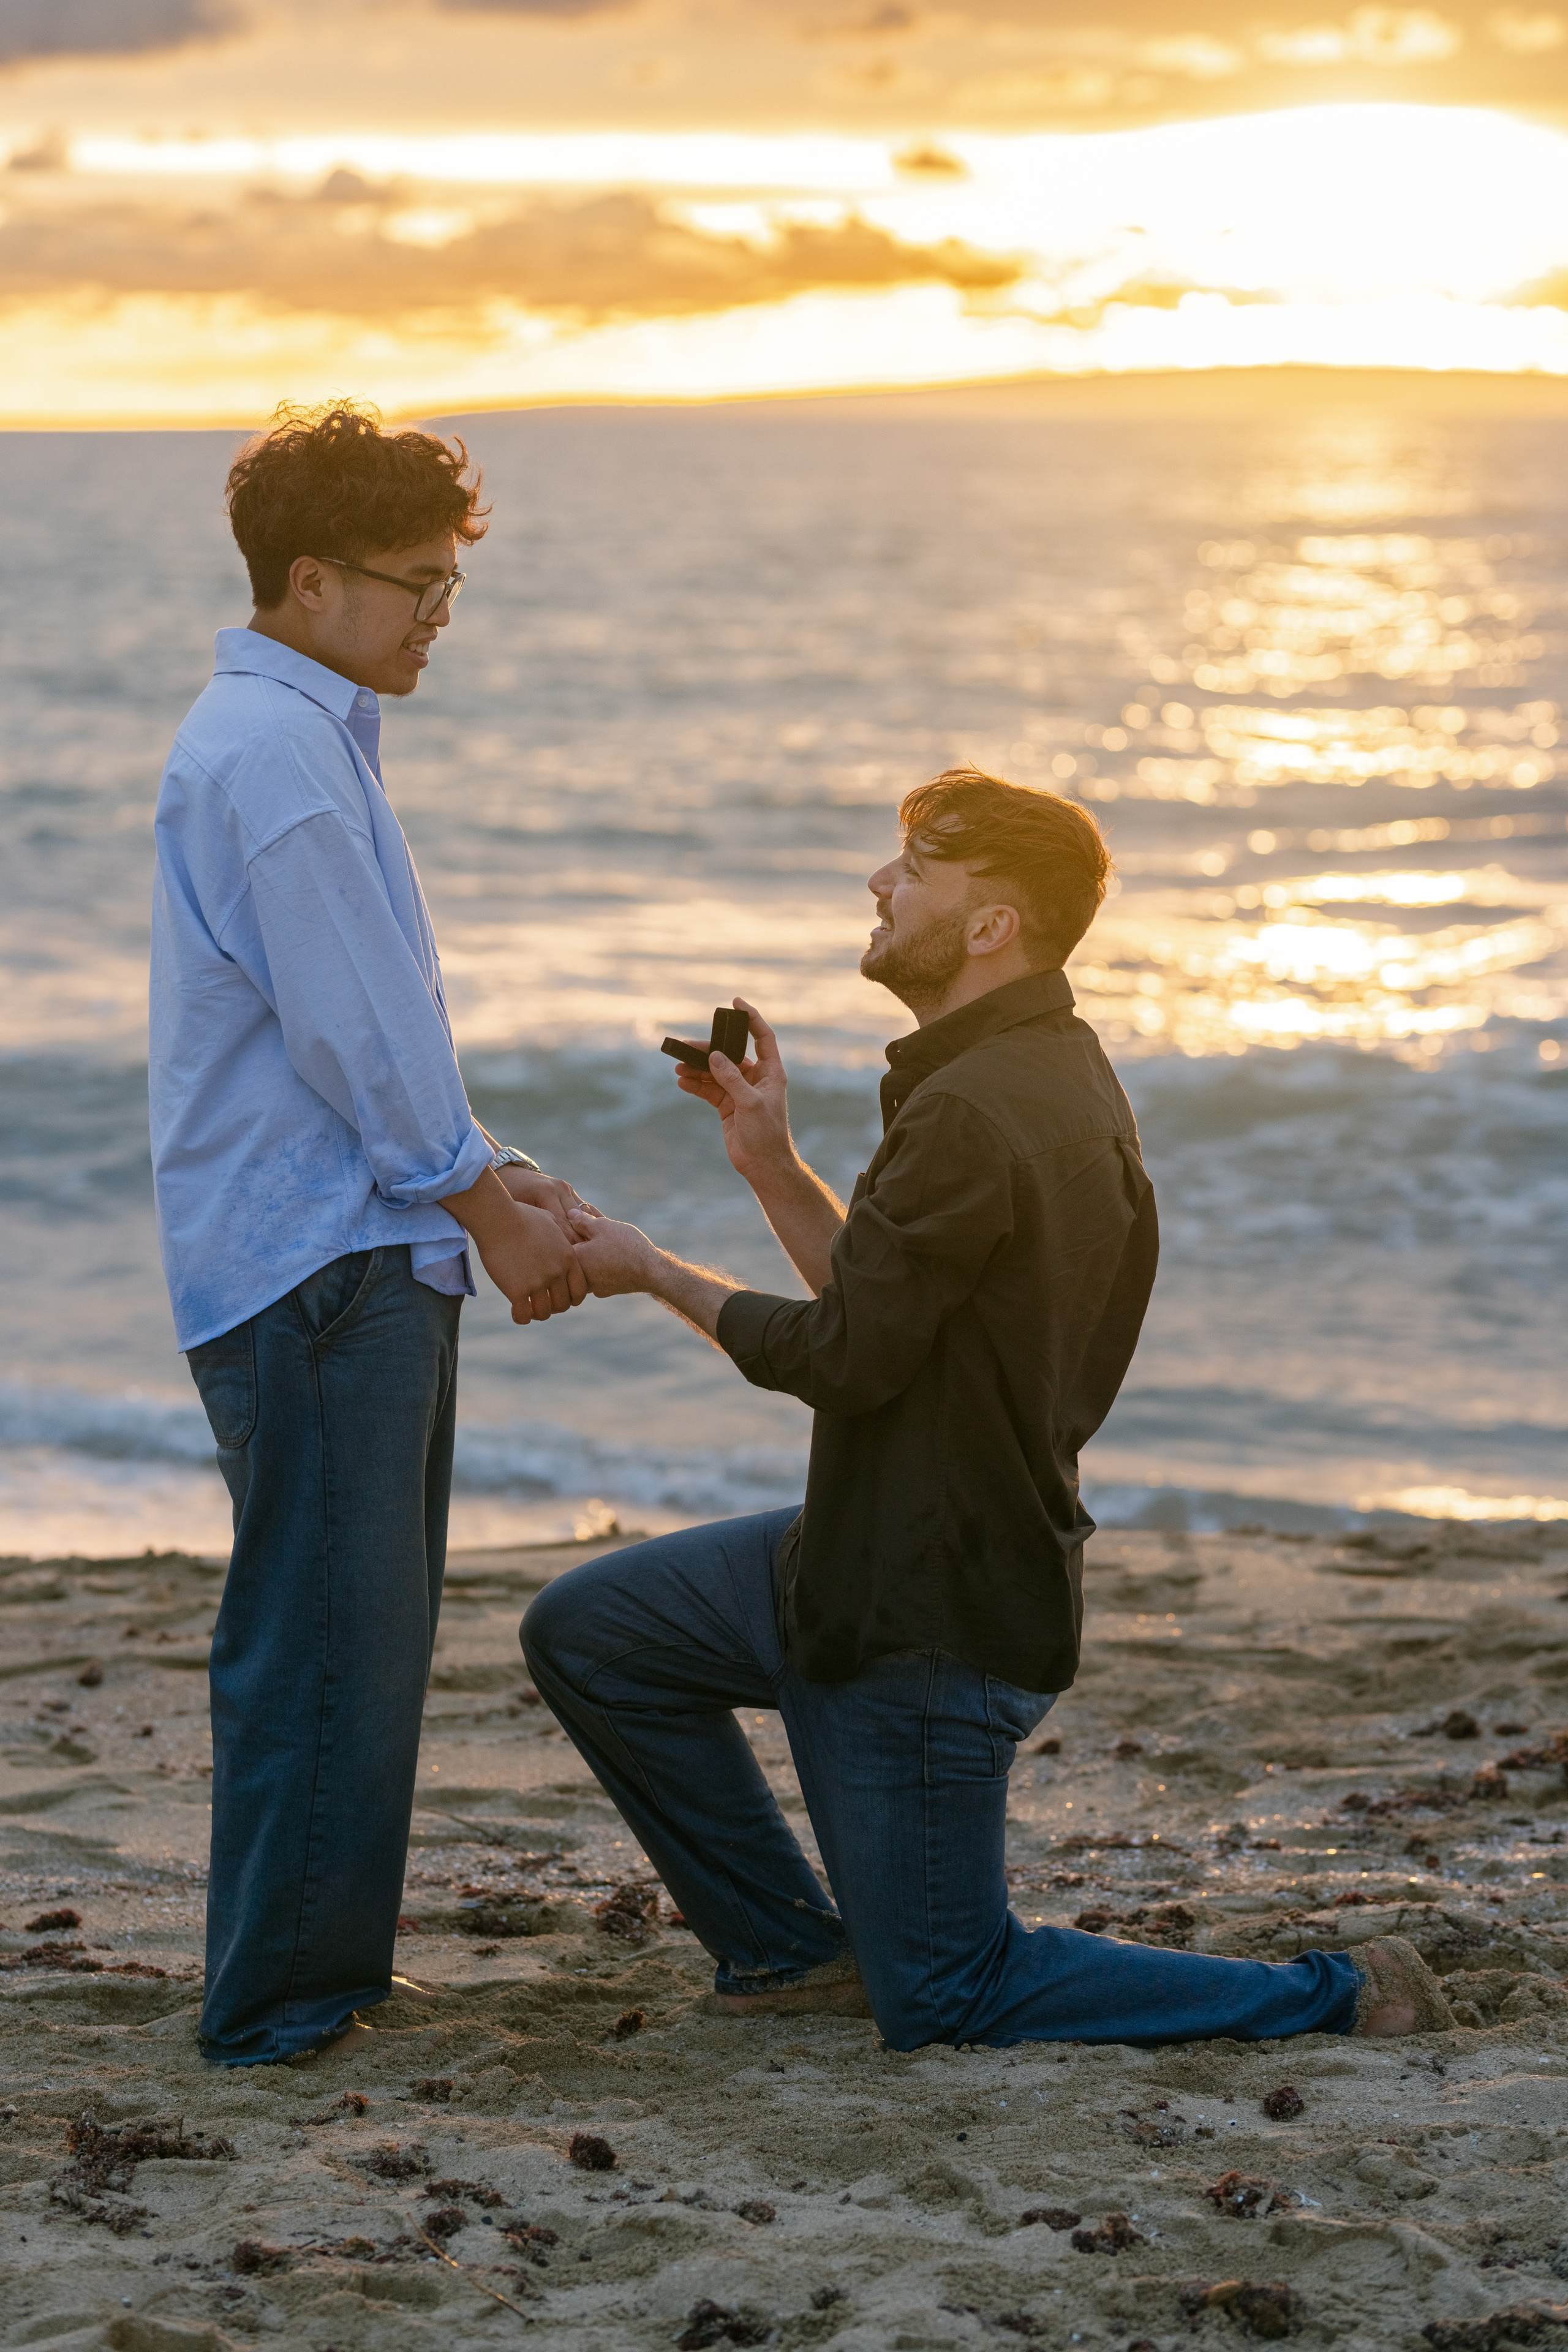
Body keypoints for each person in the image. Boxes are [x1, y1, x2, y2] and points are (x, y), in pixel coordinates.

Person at [523, 767, 1452, 2048]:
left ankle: (1339, 1993)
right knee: (591, 1634)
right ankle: (788, 1956)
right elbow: (888, 1309)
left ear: (989, 925)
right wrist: (769, 1162)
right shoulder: (1033, 1069)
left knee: (948, 1994)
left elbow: (847, 1356)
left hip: (934, 1610)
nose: (878, 884)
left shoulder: (975, 1108)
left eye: (914, 870)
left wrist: (653, 1273)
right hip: (859, 1555)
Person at [150, 401, 590, 2065]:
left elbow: (359, 1026)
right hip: (320, 1268)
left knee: (353, 1640)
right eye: (420, 585)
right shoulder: (276, 759)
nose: (440, 616)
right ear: (312, 579)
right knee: (326, 1646)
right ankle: (285, 2005)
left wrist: (500, 1170)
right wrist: (485, 1205)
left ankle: (315, 1978)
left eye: (452, 585)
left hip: (332, 1247)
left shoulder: (294, 738)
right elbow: (354, 1036)